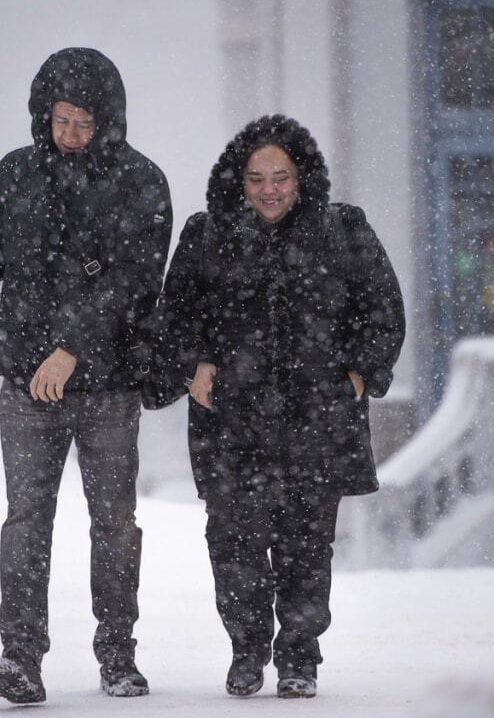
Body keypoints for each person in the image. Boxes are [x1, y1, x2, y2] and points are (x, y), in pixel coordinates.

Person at [0, 47, 172, 704]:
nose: (69, 135)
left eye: (83, 124)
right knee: (26, 521)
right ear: (44, 114)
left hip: (109, 389)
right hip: (26, 390)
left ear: (109, 124)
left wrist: (73, 348)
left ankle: (117, 654)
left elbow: (134, 283)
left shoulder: (140, 183)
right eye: (60, 120)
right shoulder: (14, 177)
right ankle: (21, 656)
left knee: (116, 523)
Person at [154, 114, 405, 699]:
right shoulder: (207, 234)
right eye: (257, 177)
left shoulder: (343, 231)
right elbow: (171, 318)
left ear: (302, 177)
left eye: (282, 177)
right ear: (237, 180)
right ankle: (246, 650)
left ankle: (299, 656)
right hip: (229, 420)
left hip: (316, 419)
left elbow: (383, 309)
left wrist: (359, 376)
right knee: (233, 539)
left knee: (306, 543)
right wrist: (193, 365)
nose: (270, 190)